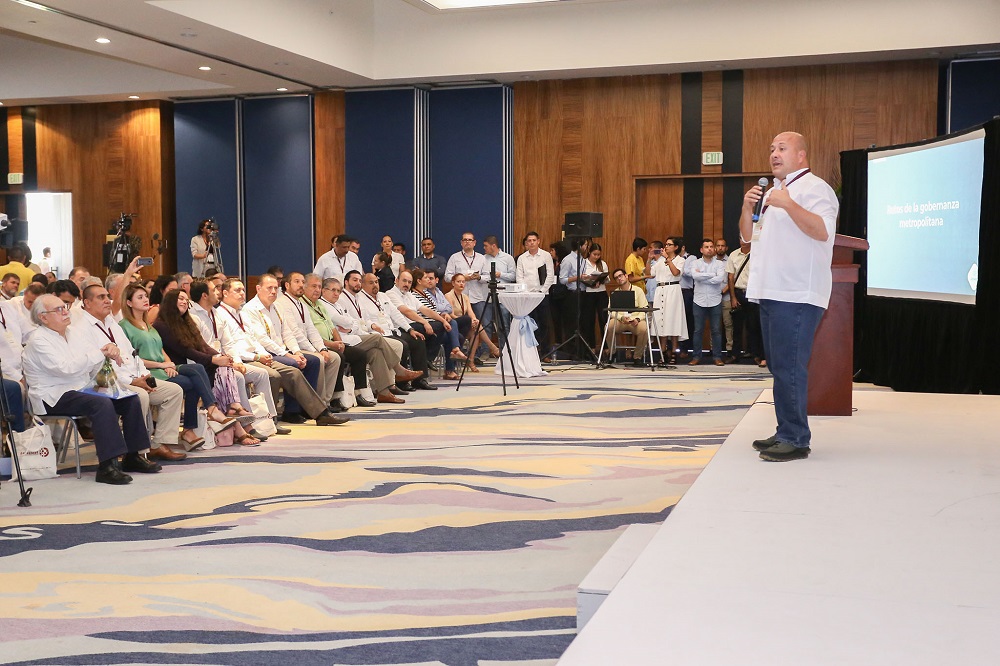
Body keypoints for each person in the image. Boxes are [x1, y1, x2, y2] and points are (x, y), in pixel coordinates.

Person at [740, 131, 839, 462]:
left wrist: (789, 204)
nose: (774, 154)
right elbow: (747, 239)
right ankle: (786, 429)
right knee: (779, 366)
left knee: (790, 367)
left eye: (782, 148)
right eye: (772, 149)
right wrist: (747, 207)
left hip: (796, 292)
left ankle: (795, 438)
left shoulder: (815, 189)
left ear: (801, 155)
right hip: (770, 291)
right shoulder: (772, 193)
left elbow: (822, 231)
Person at [23, 294, 161, 485]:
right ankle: (107, 466)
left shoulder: (73, 333)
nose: (65, 312)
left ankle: (132, 456)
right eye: (59, 309)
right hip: (52, 395)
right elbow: (66, 369)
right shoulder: (38, 340)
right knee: (101, 404)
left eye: (65, 307)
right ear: (43, 317)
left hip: (80, 388)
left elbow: (92, 362)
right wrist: (101, 353)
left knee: (129, 398)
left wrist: (109, 351)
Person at [74, 284, 188, 461]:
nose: (107, 300)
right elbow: (97, 367)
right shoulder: (81, 329)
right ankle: (136, 451)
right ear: (87, 303)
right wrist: (133, 382)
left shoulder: (111, 323)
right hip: (104, 382)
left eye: (107, 296)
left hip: (131, 377)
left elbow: (132, 354)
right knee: (140, 396)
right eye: (101, 297)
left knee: (173, 391)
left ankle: (159, 445)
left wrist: (144, 375)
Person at [119, 282, 236, 450]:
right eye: (140, 297)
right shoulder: (125, 326)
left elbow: (160, 349)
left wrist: (168, 364)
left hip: (164, 368)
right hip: (148, 371)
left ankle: (200, 419)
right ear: (129, 302)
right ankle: (200, 419)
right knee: (195, 380)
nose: (145, 299)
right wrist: (162, 364)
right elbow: (131, 359)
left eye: (145, 296)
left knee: (198, 371)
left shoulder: (148, 326)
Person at [154, 290, 261, 446]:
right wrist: (214, 360)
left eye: (186, 300)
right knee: (201, 371)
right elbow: (185, 350)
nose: (184, 302)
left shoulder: (187, 322)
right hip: (174, 367)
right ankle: (219, 412)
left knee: (222, 370)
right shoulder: (161, 325)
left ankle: (230, 412)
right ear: (170, 301)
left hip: (189, 367)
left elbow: (202, 345)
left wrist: (220, 357)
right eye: (180, 299)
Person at [189, 279, 279, 434]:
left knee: (261, 374)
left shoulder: (216, 313)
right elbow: (199, 347)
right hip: (205, 364)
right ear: (204, 295)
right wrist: (224, 360)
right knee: (238, 377)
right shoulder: (193, 316)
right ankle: (247, 426)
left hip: (223, 361)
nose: (217, 292)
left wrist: (237, 361)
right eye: (214, 290)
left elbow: (228, 343)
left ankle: (269, 420)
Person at [357, 272, 436, 391]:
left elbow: (396, 314)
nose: (375, 285)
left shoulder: (383, 296)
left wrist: (410, 329)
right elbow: (363, 319)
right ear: (363, 285)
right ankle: (401, 382)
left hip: (392, 331)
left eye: (376, 282)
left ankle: (420, 380)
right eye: (371, 283)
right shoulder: (359, 299)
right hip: (377, 334)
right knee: (402, 345)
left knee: (417, 339)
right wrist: (372, 326)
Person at [411, 268, 468, 380]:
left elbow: (439, 310)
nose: (428, 280)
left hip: (436, 325)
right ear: (419, 281)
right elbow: (423, 313)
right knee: (452, 325)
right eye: (426, 278)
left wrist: (443, 314)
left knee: (457, 335)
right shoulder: (414, 295)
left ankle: (452, 360)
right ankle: (449, 359)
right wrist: (442, 319)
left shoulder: (427, 294)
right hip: (425, 326)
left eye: (430, 278)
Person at [685, 239, 727, 366]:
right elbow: (695, 276)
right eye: (706, 247)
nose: (709, 249)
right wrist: (712, 275)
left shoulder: (719, 264)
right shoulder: (695, 263)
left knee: (716, 330)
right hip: (699, 301)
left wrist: (703, 276)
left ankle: (717, 357)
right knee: (698, 330)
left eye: (711, 247)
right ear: (701, 250)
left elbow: (719, 279)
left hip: (715, 300)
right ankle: (696, 356)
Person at [446, 273, 498, 372]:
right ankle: (492, 347)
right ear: (453, 283)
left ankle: (471, 360)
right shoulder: (448, 296)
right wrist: (469, 320)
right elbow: (451, 315)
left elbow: (470, 312)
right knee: (468, 320)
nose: (461, 284)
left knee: (476, 331)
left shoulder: (465, 297)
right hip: (454, 324)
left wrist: (474, 319)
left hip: (464, 324)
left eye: (463, 282)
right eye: (458, 282)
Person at [515, 232, 556, 354]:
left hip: (542, 295)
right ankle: (531, 352)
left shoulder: (546, 256)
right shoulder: (522, 258)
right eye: (529, 241)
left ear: (538, 241)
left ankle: (545, 352)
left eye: (534, 240)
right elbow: (519, 277)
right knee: (530, 323)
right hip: (527, 296)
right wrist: (525, 292)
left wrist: (542, 291)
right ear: (526, 243)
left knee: (544, 323)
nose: (532, 243)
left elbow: (550, 276)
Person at [649, 239, 687, 364]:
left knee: (673, 320)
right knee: (661, 321)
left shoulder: (680, 260)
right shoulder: (659, 261)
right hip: (660, 290)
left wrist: (668, 259)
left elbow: (676, 273)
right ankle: (663, 352)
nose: (666, 246)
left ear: (676, 247)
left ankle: (674, 351)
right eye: (666, 244)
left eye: (669, 245)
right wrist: (649, 259)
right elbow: (650, 274)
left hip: (673, 290)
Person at [607, 268, 650, 365]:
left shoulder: (638, 290)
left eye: (620, 276)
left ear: (626, 276)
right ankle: (612, 353)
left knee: (644, 329)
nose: (619, 278)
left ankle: (637, 357)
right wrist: (621, 318)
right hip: (620, 320)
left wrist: (638, 319)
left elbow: (645, 308)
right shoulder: (615, 293)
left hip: (635, 320)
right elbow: (610, 311)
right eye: (616, 278)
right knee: (608, 327)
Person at [578, 244, 610, 351]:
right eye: (594, 254)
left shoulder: (602, 264)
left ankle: (606, 347)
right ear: (589, 253)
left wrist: (601, 280)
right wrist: (589, 280)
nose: (596, 257)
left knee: (603, 319)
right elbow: (581, 277)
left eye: (598, 255)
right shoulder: (583, 263)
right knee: (589, 320)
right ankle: (591, 346)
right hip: (588, 294)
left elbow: (608, 279)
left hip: (601, 293)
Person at [715, 237, 734, 357]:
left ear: (726, 248)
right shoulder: (711, 261)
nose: (720, 248)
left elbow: (732, 278)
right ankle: (714, 349)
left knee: (728, 324)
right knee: (715, 325)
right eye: (718, 246)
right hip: (713, 298)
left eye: (722, 246)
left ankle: (729, 348)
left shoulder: (730, 260)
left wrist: (724, 291)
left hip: (726, 297)